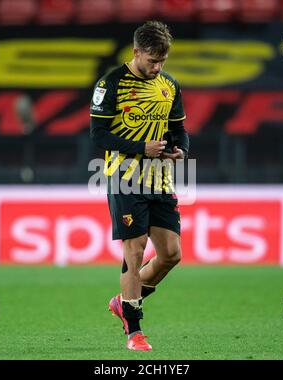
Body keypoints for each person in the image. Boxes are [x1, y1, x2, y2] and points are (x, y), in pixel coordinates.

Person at [90, 21, 189, 351]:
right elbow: (99, 135)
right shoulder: (111, 83)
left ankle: (124, 300)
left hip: (160, 180)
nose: (157, 67)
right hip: (125, 178)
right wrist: (139, 148)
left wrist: (180, 150)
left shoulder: (169, 86)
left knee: (171, 255)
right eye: (151, 61)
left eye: (162, 61)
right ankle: (134, 332)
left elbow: (179, 129)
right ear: (136, 53)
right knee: (135, 252)